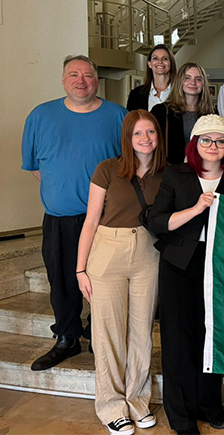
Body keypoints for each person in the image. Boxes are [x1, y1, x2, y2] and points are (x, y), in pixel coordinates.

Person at [21, 55, 127, 371]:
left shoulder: (117, 116)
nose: (81, 81)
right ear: (64, 80)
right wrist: (65, 189)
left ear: (97, 80)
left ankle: (98, 331)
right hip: (59, 218)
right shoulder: (40, 116)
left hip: (107, 219)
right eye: (74, 75)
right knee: (63, 280)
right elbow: (36, 167)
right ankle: (66, 337)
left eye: (88, 75)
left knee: (105, 280)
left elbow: (130, 166)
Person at [75, 111, 166, 435]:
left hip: (146, 255)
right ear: (127, 138)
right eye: (138, 133)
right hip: (108, 253)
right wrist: (80, 268)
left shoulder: (165, 173)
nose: (145, 139)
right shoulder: (108, 170)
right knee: (108, 335)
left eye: (151, 133)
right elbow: (90, 220)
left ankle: (138, 402)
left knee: (141, 334)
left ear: (159, 136)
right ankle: (112, 407)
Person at [149, 115, 224, 435]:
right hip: (179, 264)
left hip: (219, 265)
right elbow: (156, 221)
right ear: (194, 143)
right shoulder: (177, 174)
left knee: (212, 336)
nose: (213, 146)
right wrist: (196, 209)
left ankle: (209, 404)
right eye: (206, 140)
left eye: (220, 141)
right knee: (178, 342)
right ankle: (181, 415)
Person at [151, 63, 216, 164]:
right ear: (179, 82)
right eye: (187, 78)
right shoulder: (161, 111)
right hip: (170, 171)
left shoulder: (212, 114)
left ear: (203, 84)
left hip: (202, 171)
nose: (193, 82)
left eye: (198, 79)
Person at [126, 44, 177, 111]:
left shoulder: (181, 92)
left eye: (165, 59)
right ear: (149, 64)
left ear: (171, 63)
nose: (160, 62)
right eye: (155, 58)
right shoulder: (135, 94)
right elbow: (131, 120)